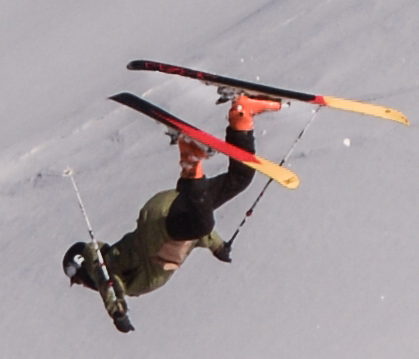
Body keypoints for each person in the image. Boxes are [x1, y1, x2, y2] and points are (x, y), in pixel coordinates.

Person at [62, 101, 277, 332]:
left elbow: (108, 281)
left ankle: (191, 163)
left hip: (161, 230)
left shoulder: (107, 264)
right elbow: (195, 236)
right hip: (174, 209)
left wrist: (117, 311)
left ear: (83, 270)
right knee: (240, 180)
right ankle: (241, 117)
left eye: (81, 280)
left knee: (202, 223)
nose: (86, 285)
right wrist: (217, 246)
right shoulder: (115, 260)